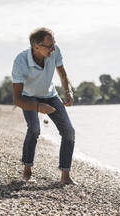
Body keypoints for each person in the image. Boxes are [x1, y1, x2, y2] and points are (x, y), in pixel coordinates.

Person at [11, 27, 76, 184]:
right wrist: (38, 107)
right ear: (36, 47)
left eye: (54, 44)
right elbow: (17, 99)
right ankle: (27, 173)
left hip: (50, 95)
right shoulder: (20, 61)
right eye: (49, 46)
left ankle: (65, 176)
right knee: (34, 129)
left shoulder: (54, 52)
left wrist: (68, 92)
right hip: (28, 97)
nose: (53, 49)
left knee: (69, 132)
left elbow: (63, 74)